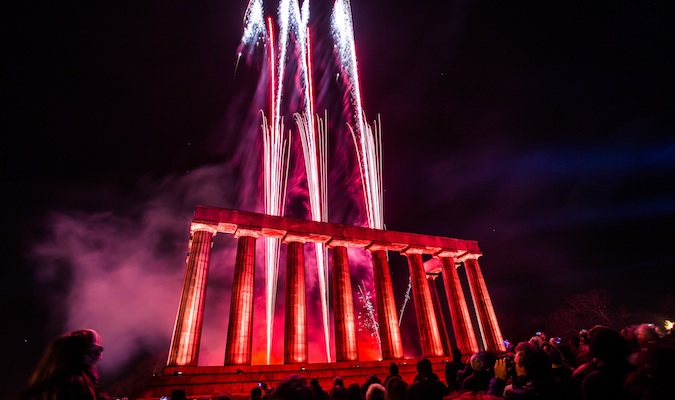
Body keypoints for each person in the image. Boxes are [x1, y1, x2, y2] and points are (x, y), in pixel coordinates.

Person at [20, 329, 108, 400]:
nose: (99, 353)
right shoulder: (74, 386)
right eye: (93, 349)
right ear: (74, 354)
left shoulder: (44, 387)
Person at [488, 341, 566, 399]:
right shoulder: (558, 386)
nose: (513, 366)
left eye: (515, 363)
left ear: (524, 368)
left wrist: (498, 381)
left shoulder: (518, 395)